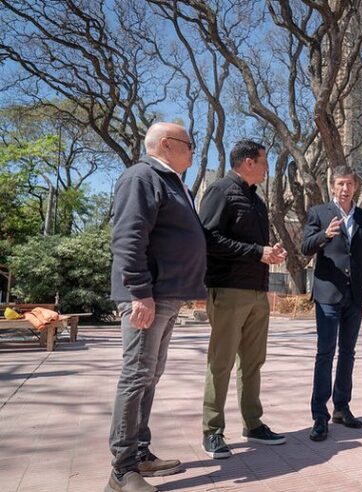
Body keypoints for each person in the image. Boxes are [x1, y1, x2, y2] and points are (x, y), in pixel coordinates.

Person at [107, 122, 207, 492]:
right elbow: (129, 236)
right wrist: (138, 292)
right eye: (189, 145)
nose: (194, 152)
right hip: (147, 296)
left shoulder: (171, 182)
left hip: (165, 295)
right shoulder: (142, 177)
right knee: (136, 376)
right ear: (167, 144)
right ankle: (121, 470)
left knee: (150, 375)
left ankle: (140, 453)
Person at [198, 140, 288, 459]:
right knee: (221, 361)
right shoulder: (221, 190)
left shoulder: (258, 202)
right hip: (228, 289)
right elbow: (208, 237)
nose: (267, 168)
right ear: (248, 163)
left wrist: (269, 253)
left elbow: (254, 248)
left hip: (257, 291)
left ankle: (253, 423)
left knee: (253, 361)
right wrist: (256, 252)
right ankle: (212, 430)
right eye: (264, 162)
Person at [300, 165, 362, 441]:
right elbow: (305, 247)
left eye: (349, 184)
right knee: (326, 352)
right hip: (327, 295)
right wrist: (325, 235)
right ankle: (319, 415)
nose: (345, 189)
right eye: (340, 184)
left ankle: (341, 407)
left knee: (348, 352)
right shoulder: (319, 213)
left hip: (356, 295)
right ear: (332, 187)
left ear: (355, 186)